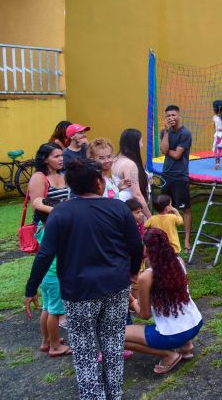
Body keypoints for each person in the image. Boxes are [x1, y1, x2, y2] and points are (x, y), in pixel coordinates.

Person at [24, 158, 143, 400]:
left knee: (85, 352)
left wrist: (31, 289)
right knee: (112, 346)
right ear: (99, 183)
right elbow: (135, 246)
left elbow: (45, 254)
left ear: (70, 186)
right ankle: (114, 395)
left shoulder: (60, 213)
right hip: (116, 287)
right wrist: (132, 273)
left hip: (79, 292)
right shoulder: (118, 208)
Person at [124, 229, 203, 374]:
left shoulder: (146, 277)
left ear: (147, 248)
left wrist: (132, 300)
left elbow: (144, 315)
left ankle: (169, 355)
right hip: (196, 323)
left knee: (117, 336)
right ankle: (186, 346)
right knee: (173, 313)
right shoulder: (178, 262)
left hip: (173, 334)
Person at [28, 144, 71, 357]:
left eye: (62, 155)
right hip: (48, 229)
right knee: (55, 307)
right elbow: (37, 203)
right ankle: (55, 345)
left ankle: (47, 340)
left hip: (61, 227)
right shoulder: (39, 177)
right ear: (45, 159)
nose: (61, 159)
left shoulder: (62, 174)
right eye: (56, 156)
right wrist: (60, 210)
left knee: (48, 305)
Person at [160, 105, 193, 252]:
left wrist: (167, 150)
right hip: (166, 174)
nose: (171, 118)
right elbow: (163, 149)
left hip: (180, 176)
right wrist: (166, 133)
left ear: (179, 115)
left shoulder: (185, 133)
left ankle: (186, 240)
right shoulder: (164, 132)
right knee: (165, 208)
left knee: (185, 208)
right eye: (168, 116)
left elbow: (176, 155)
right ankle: (168, 237)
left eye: (173, 115)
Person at [111, 128, 151, 219]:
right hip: (130, 208)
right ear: (134, 144)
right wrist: (150, 217)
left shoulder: (115, 159)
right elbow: (136, 195)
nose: (142, 145)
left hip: (120, 204)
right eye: (141, 141)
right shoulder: (130, 164)